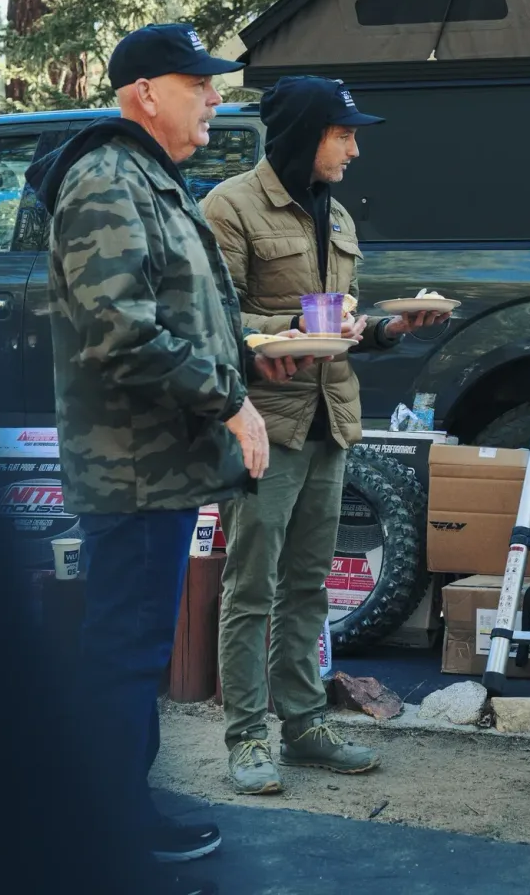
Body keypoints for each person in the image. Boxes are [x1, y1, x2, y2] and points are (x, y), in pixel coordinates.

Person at [27, 23, 312, 873]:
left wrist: (263, 349)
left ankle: (116, 808)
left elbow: (189, 318)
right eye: (200, 84)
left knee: (132, 646)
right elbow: (120, 333)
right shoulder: (108, 178)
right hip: (132, 468)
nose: (215, 98)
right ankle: (106, 827)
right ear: (146, 92)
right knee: (124, 651)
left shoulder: (153, 178)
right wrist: (234, 406)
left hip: (156, 463)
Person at [202, 76, 447, 792]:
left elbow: (338, 324)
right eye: (343, 134)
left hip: (330, 420)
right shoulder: (229, 207)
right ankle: (247, 737)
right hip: (262, 424)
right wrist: (282, 335)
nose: (355, 148)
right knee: (252, 587)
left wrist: (388, 328)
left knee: (309, 586)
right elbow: (212, 322)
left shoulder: (335, 215)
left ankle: (304, 724)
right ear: (306, 133)